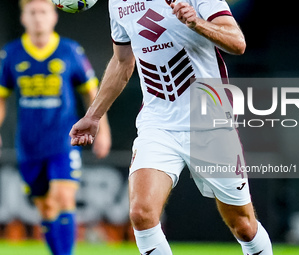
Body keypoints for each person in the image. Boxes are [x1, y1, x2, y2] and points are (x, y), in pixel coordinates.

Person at [70, 0, 273, 254]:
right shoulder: (117, 3)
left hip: (209, 123)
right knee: (141, 213)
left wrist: (197, 23)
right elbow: (122, 62)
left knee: (243, 224)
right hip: (158, 124)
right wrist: (93, 116)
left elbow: (237, 43)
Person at [0, 0, 111, 254]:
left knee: (63, 198)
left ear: (54, 17)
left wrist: (102, 130)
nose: (38, 18)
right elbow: (1, 98)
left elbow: (92, 94)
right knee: (46, 208)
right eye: (33, 13)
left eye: (43, 12)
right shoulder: (11, 54)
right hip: (28, 144)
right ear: (23, 18)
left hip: (63, 140)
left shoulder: (70, 51)